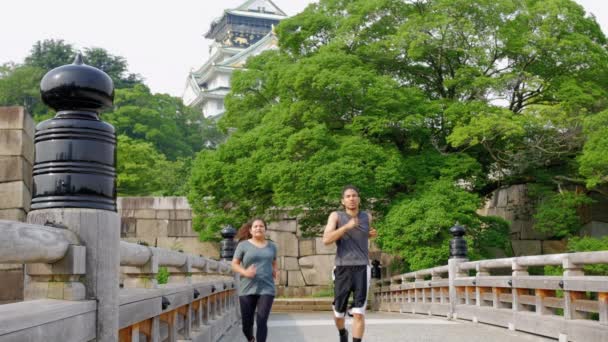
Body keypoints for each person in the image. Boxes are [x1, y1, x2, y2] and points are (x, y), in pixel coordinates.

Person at [322, 185, 377, 342]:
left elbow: (361, 236)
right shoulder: (336, 216)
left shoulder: (367, 216)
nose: (351, 198)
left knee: (359, 312)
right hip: (342, 267)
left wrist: (369, 235)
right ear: (343, 201)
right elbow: (326, 240)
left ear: (359, 199)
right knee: (339, 312)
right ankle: (342, 333)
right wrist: (346, 227)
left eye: (354, 195)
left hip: (362, 267)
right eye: (348, 196)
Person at [231, 218, 278, 342]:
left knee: (262, 320)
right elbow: (234, 265)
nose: (259, 228)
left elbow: (274, 261)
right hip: (247, 288)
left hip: (267, 287)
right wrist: (245, 272)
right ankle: (251, 339)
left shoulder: (272, 246)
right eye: (256, 226)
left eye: (261, 226)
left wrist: (275, 270)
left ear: (265, 229)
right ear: (251, 230)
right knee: (247, 324)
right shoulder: (243, 245)